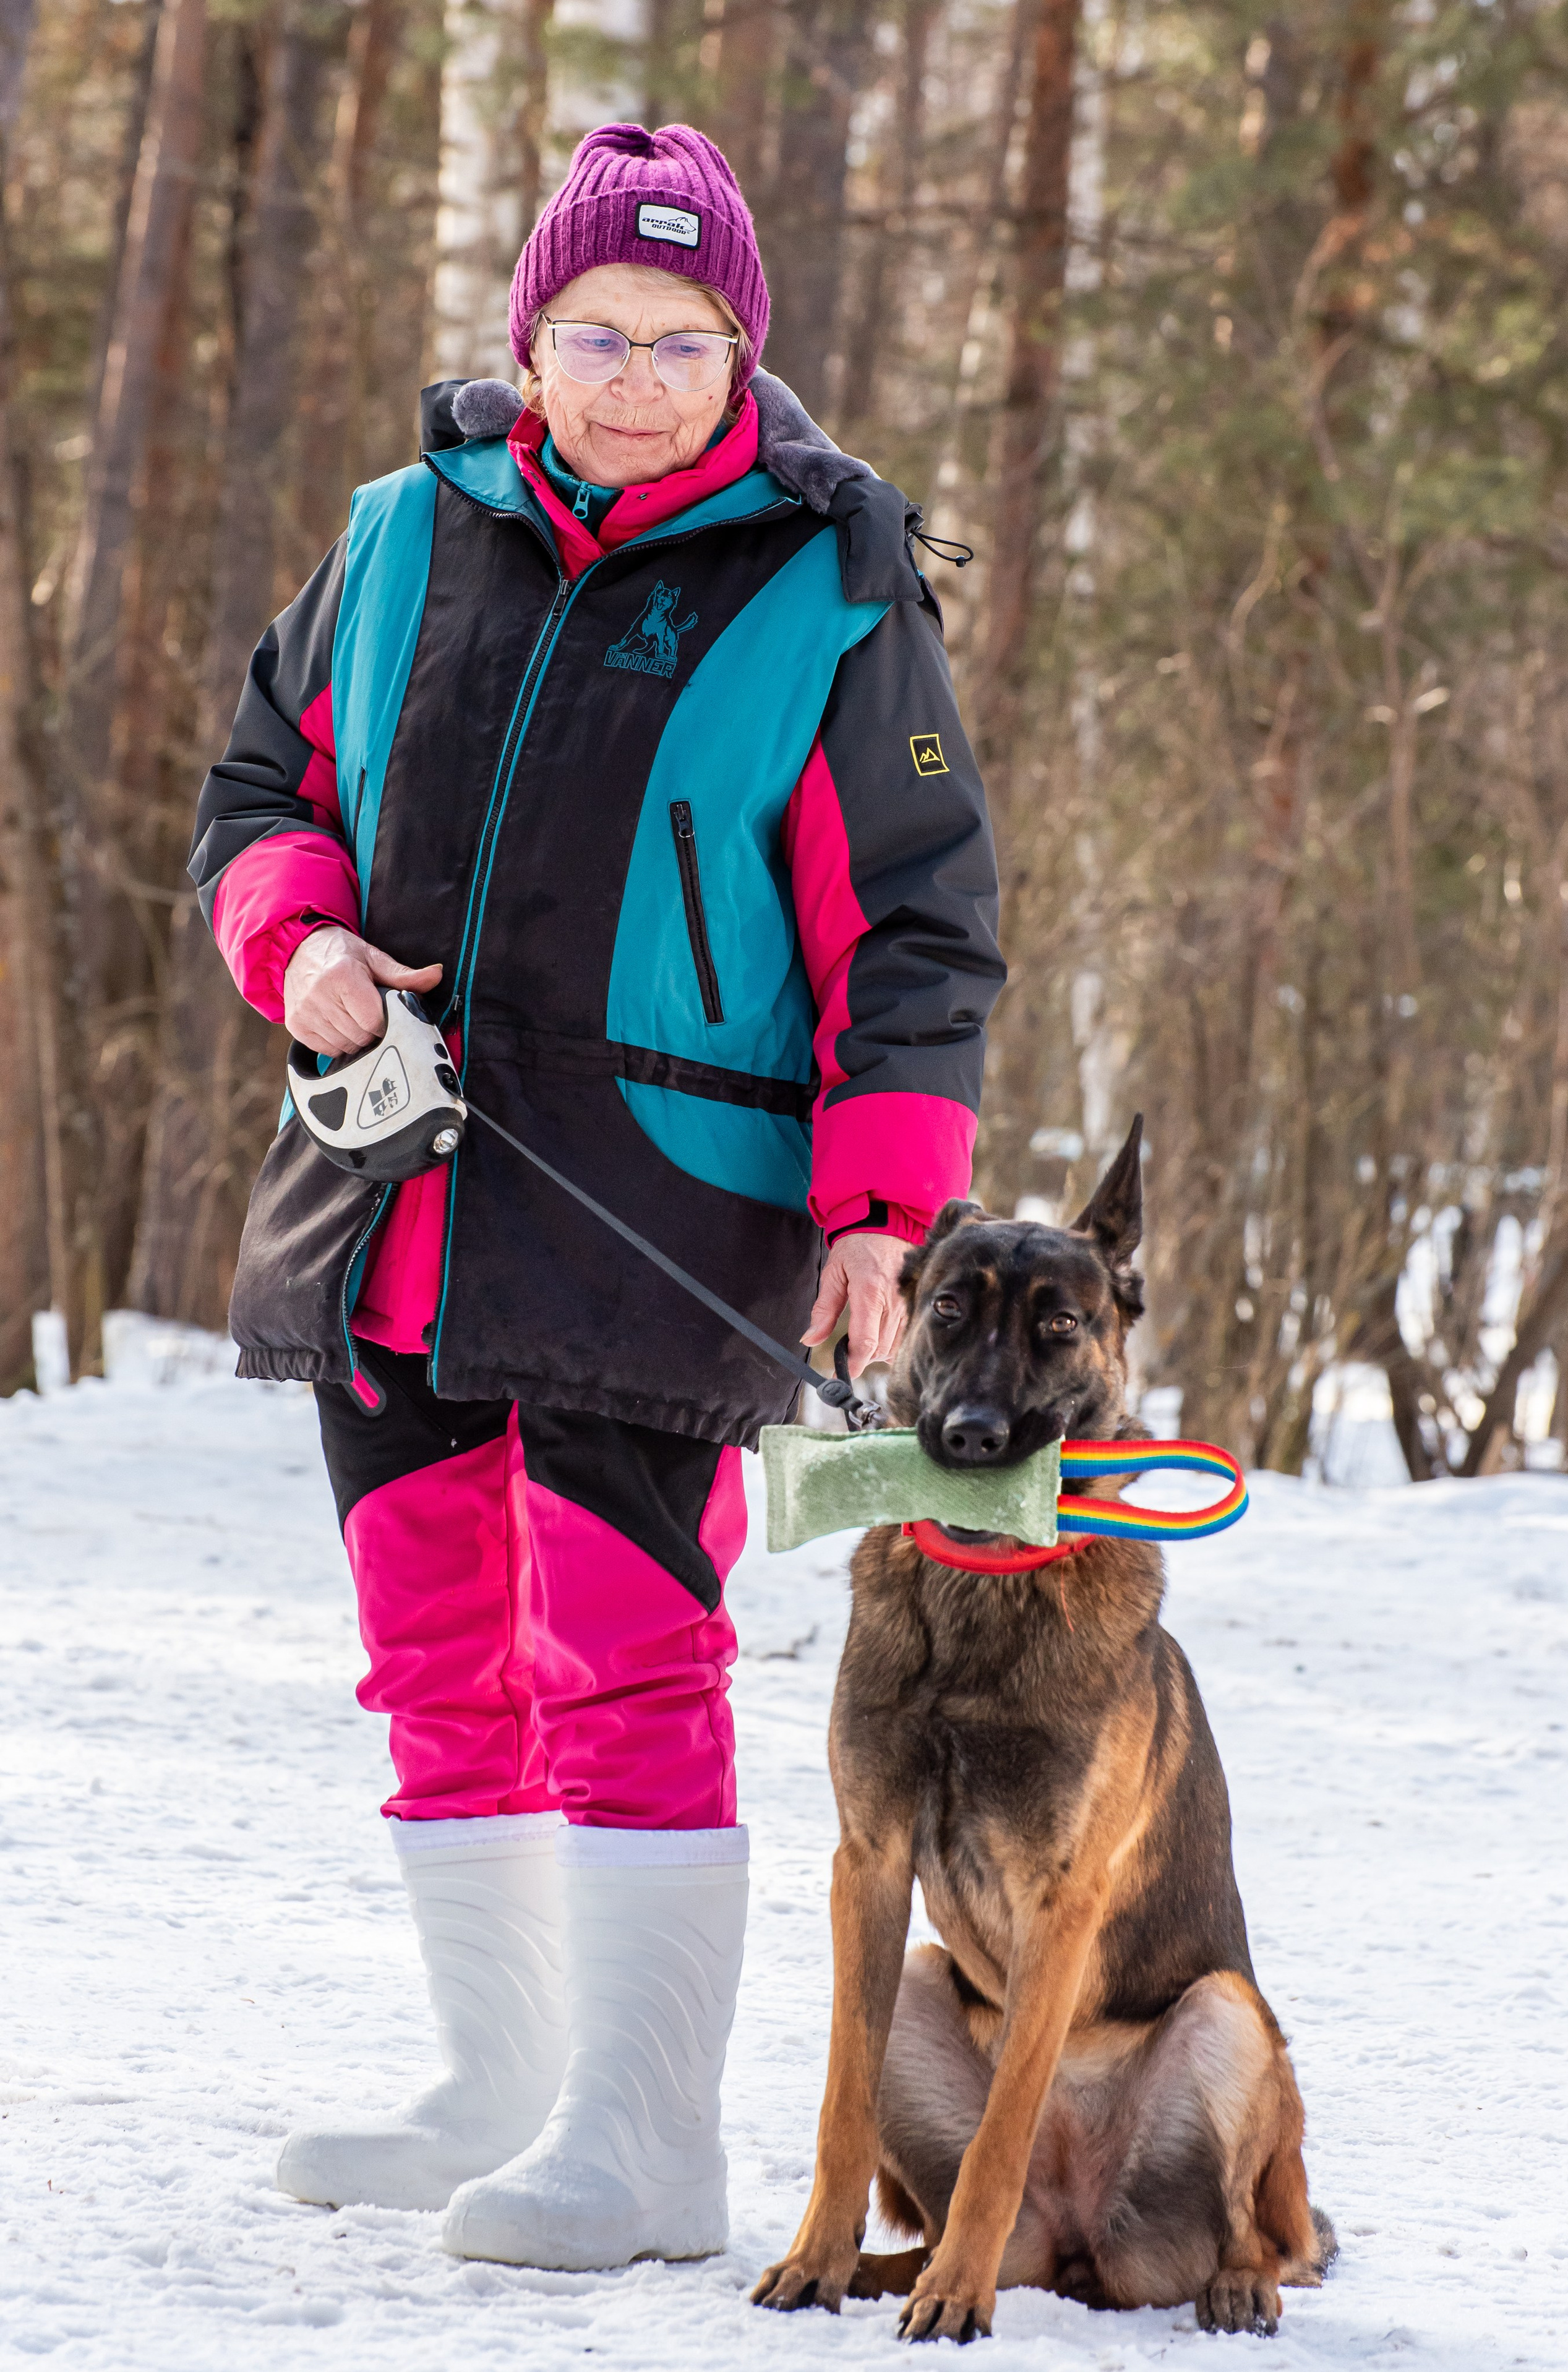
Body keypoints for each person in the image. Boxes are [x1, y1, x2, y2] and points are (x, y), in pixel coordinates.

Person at [189, 120, 1003, 2271]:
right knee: (436, 1648)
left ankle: (646, 2147)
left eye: (685, 334)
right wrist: (309, 949)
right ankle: (501, 2082)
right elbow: (264, 788)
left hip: (667, 1202)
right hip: (390, 1190)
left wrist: (882, 1214)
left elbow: (916, 924)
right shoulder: (392, 535)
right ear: (527, 337)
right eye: (595, 329)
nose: (637, 372)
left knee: (627, 1653)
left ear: (744, 347)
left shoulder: (829, 581)